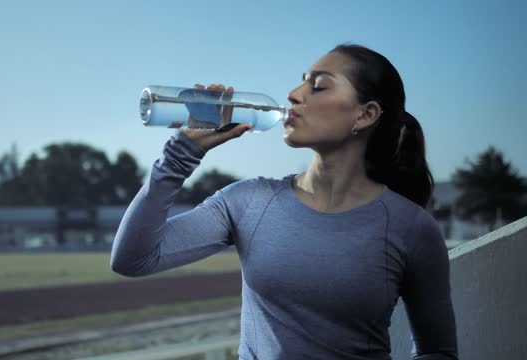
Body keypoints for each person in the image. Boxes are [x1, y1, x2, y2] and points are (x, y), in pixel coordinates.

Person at [111, 44, 458, 359]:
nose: (293, 95)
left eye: (317, 86)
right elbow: (133, 258)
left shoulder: (412, 229)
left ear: (365, 114)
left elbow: (437, 352)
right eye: (300, 83)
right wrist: (180, 155)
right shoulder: (247, 201)